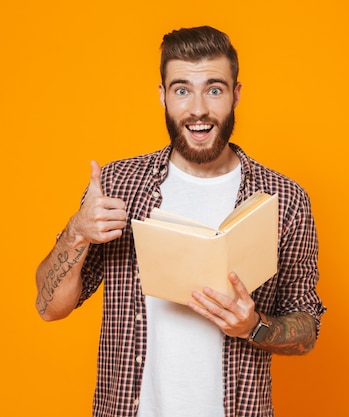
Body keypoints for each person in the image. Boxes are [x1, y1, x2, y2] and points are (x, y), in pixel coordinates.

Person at [35, 25, 325, 417]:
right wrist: (77, 232)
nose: (199, 108)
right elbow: (48, 307)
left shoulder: (284, 200)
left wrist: (253, 326)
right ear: (163, 95)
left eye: (215, 89)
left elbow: (307, 330)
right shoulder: (120, 185)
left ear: (236, 93)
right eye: (182, 89)